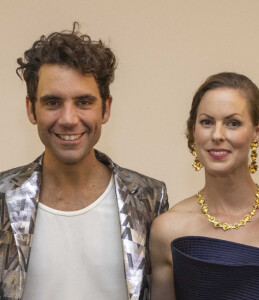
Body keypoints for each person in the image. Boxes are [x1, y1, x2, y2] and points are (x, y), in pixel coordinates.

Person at [0, 23, 168, 300]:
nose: (68, 119)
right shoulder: (3, 196)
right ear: (31, 109)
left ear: (106, 108)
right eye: (53, 102)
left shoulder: (149, 198)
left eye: (83, 102)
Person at [150, 72, 259, 300]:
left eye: (233, 123)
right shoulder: (168, 230)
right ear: (193, 130)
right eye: (207, 122)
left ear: (257, 130)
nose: (217, 135)